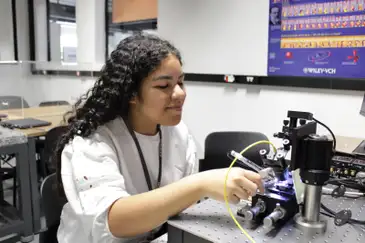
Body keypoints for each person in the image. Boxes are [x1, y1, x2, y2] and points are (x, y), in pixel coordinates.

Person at [55, 33, 263, 243]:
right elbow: (114, 221)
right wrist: (200, 184)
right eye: (164, 86)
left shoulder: (178, 134)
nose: (180, 93)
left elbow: (184, 209)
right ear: (131, 94)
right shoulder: (93, 142)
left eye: (181, 82)